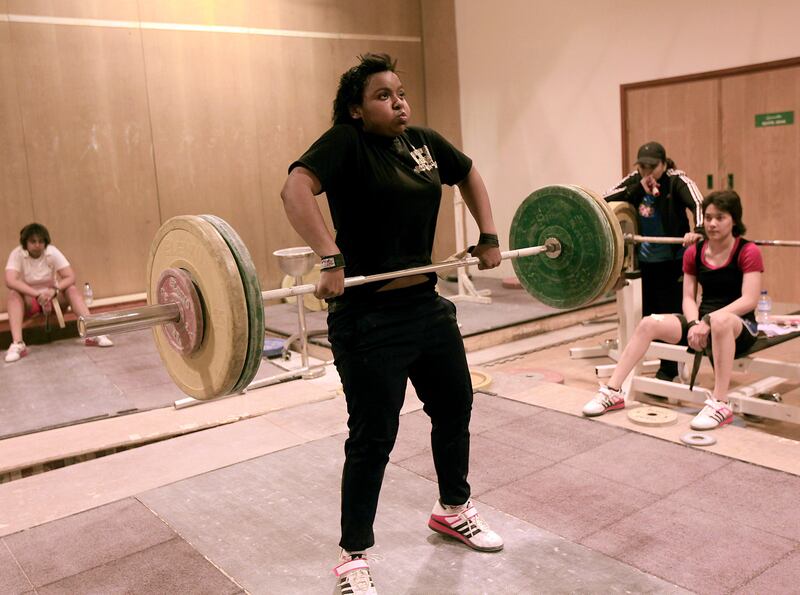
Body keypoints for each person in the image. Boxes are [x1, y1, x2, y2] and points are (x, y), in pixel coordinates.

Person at [280, 53, 503, 594]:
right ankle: (352, 555)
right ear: (357, 110)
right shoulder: (344, 144)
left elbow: (468, 171)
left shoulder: (422, 143)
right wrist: (329, 257)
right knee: (374, 436)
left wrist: (489, 235)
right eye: (383, 95)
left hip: (425, 307)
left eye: (400, 93)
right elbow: (294, 189)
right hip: (367, 318)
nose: (398, 102)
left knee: (454, 407)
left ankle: (453, 507)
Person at [582, 190, 762, 431]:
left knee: (720, 321)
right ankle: (614, 391)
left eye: (720, 218)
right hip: (703, 322)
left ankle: (720, 403)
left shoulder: (748, 251)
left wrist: (708, 321)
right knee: (649, 323)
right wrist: (695, 322)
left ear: (734, 220)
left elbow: (749, 300)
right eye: (708, 217)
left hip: (740, 326)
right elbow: (688, 297)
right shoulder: (694, 251)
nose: (712, 223)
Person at [604, 141, 705, 382]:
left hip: (675, 261)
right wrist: (638, 188)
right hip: (647, 263)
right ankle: (661, 365)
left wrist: (699, 230)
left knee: (672, 314)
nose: (648, 172)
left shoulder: (676, 180)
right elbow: (605, 198)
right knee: (651, 316)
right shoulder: (636, 179)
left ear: (664, 163)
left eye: (653, 167)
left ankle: (670, 369)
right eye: (643, 167)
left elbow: (699, 203)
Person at [4, 223, 113, 363]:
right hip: (30, 299)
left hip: (53, 299)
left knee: (71, 289)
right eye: (33, 241)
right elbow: (10, 281)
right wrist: (36, 294)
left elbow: (70, 276)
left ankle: (92, 332)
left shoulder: (52, 251)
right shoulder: (17, 253)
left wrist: (53, 291)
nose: (37, 245)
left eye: (41, 241)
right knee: (13, 294)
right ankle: (18, 343)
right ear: (25, 243)